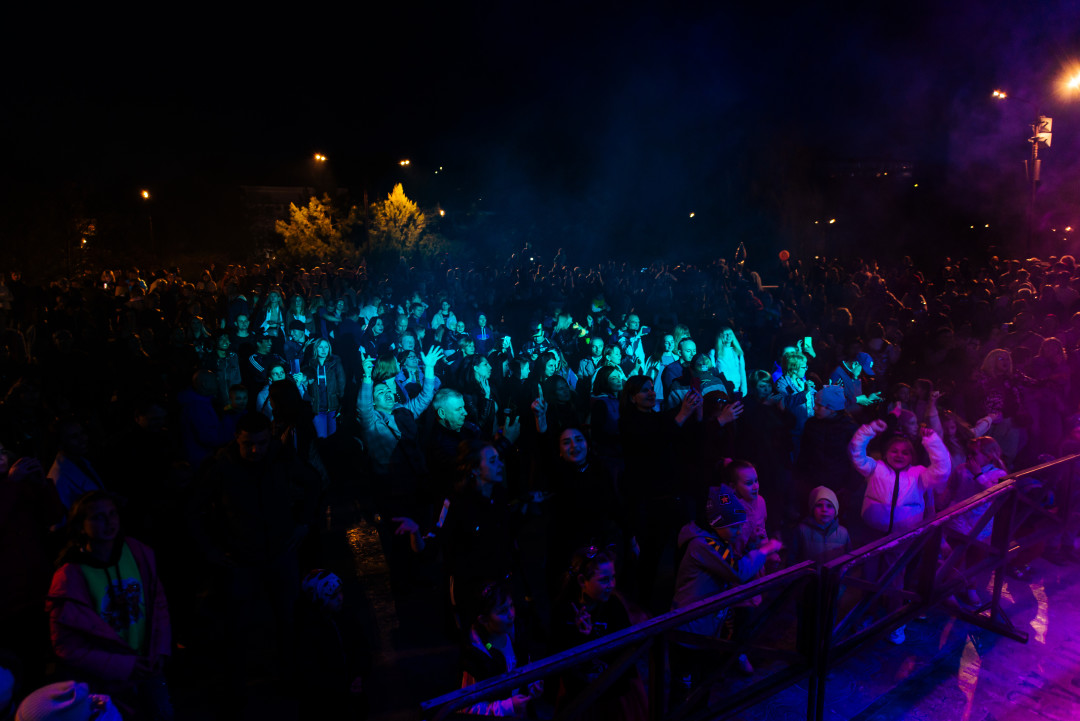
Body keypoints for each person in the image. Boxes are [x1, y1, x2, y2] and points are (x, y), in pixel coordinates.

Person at [46, 491, 173, 719]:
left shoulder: (137, 552)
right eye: (98, 517)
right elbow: (67, 645)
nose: (109, 521)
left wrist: (161, 647)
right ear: (81, 527)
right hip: (107, 678)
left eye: (112, 514)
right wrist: (124, 665)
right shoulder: (69, 577)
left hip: (149, 663)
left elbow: (158, 604)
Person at [849, 419, 950, 644]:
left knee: (895, 579)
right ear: (885, 453)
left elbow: (943, 471)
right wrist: (870, 430)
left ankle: (895, 620)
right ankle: (867, 614)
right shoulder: (874, 468)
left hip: (902, 537)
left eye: (905, 452)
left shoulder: (919, 474)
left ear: (912, 456)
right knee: (869, 576)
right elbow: (855, 452)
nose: (899, 455)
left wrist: (932, 441)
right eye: (894, 450)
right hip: (872, 533)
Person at [671, 486, 781, 674]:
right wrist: (764, 550)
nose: (739, 531)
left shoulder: (713, 539)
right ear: (716, 523)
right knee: (687, 679)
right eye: (734, 526)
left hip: (702, 624)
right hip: (691, 628)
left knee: (702, 677)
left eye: (740, 525)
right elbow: (738, 571)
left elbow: (729, 562)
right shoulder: (705, 544)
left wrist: (753, 546)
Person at [550, 546, 647, 720]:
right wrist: (580, 636)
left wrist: (592, 637)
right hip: (580, 697)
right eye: (604, 580)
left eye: (613, 577)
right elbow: (557, 654)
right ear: (582, 581)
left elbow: (624, 652)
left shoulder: (614, 606)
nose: (612, 585)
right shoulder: (564, 611)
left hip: (613, 693)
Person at [458, 579, 542, 716]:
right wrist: (507, 707)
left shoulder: (517, 630)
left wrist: (532, 683)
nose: (512, 614)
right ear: (483, 620)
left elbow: (526, 664)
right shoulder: (474, 656)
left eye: (511, 605)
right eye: (503, 611)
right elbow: (467, 708)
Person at [790, 485, 852, 564]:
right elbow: (791, 560)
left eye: (829, 506)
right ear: (812, 509)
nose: (824, 509)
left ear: (836, 510)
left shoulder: (843, 533)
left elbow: (849, 561)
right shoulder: (801, 530)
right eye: (819, 505)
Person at [300, 339, 345, 438]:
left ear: (329, 349)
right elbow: (303, 383)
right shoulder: (310, 364)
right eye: (320, 347)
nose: (324, 350)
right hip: (317, 408)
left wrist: (342, 406)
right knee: (321, 438)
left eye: (326, 347)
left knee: (333, 439)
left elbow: (342, 386)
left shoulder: (335, 364)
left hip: (333, 408)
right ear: (316, 348)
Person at [711, 328, 747, 397]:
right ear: (720, 336)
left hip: (736, 390)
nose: (728, 336)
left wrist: (744, 390)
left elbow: (742, 371)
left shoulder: (738, 352)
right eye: (725, 334)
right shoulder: (714, 352)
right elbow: (712, 372)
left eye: (730, 334)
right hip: (721, 390)